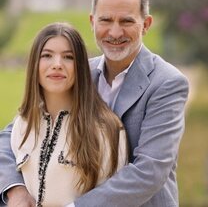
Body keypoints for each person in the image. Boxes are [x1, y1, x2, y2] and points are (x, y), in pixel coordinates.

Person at [0, 0, 189, 207]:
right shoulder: (79, 72)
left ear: (146, 24)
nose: (115, 32)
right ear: (92, 22)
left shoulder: (167, 83)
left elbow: (149, 172)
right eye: (106, 20)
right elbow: (14, 133)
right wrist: (14, 189)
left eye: (127, 21)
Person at [2, 22, 127, 206]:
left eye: (68, 57)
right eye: (47, 56)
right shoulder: (23, 123)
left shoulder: (106, 129)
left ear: (81, 67)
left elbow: (115, 199)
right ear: (35, 64)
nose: (57, 65)